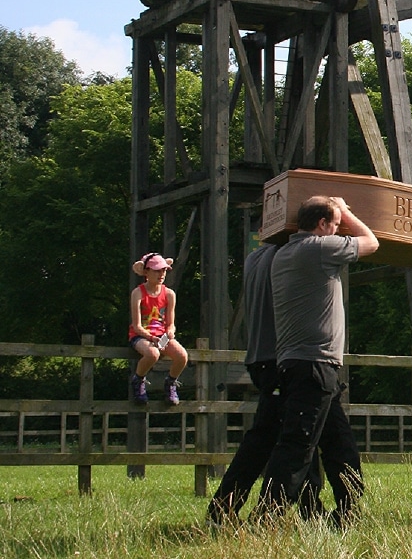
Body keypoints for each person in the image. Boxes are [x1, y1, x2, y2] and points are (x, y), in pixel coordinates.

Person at [256, 195, 378, 526]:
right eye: (335, 225)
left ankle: (348, 511)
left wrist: (337, 212)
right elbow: (371, 242)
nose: (338, 230)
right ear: (322, 224)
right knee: (298, 444)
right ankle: (268, 515)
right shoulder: (319, 248)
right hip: (314, 364)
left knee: (339, 442)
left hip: (303, 365)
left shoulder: (283, 254)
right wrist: (347, 211)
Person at [207, 239, 326, 525]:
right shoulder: (290, 255)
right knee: (289, 436)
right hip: (281, 358)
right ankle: (249, 510)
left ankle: (308, 509)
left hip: (262, 358)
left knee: (283, 434)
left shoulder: (255, 258)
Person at [128, 252, 189, 405]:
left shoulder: (169, 294)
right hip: (141, 335)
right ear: (146, 272)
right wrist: (151, 338)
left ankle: (171, 383)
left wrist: (170, 332)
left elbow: (170, 323)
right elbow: (137, 326)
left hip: (161, 335)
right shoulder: (138, 293)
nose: (161, 274)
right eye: (157, 270)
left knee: (182, 356)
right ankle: (138, 380)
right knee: (152, 354)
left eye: (163, 270)